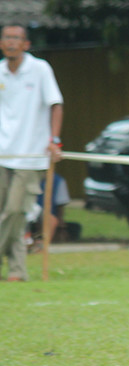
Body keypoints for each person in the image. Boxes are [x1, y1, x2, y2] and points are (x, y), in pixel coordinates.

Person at [0, 24, 64, 282]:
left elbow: (56, 104)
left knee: (15, 211)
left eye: (16, 38)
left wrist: (54, 140)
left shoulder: (40, 69)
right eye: (7, 37)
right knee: (10, 216)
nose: (11, 42)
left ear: (26, 44)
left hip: (31, 155)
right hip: (3, 154)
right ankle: (17, 270)